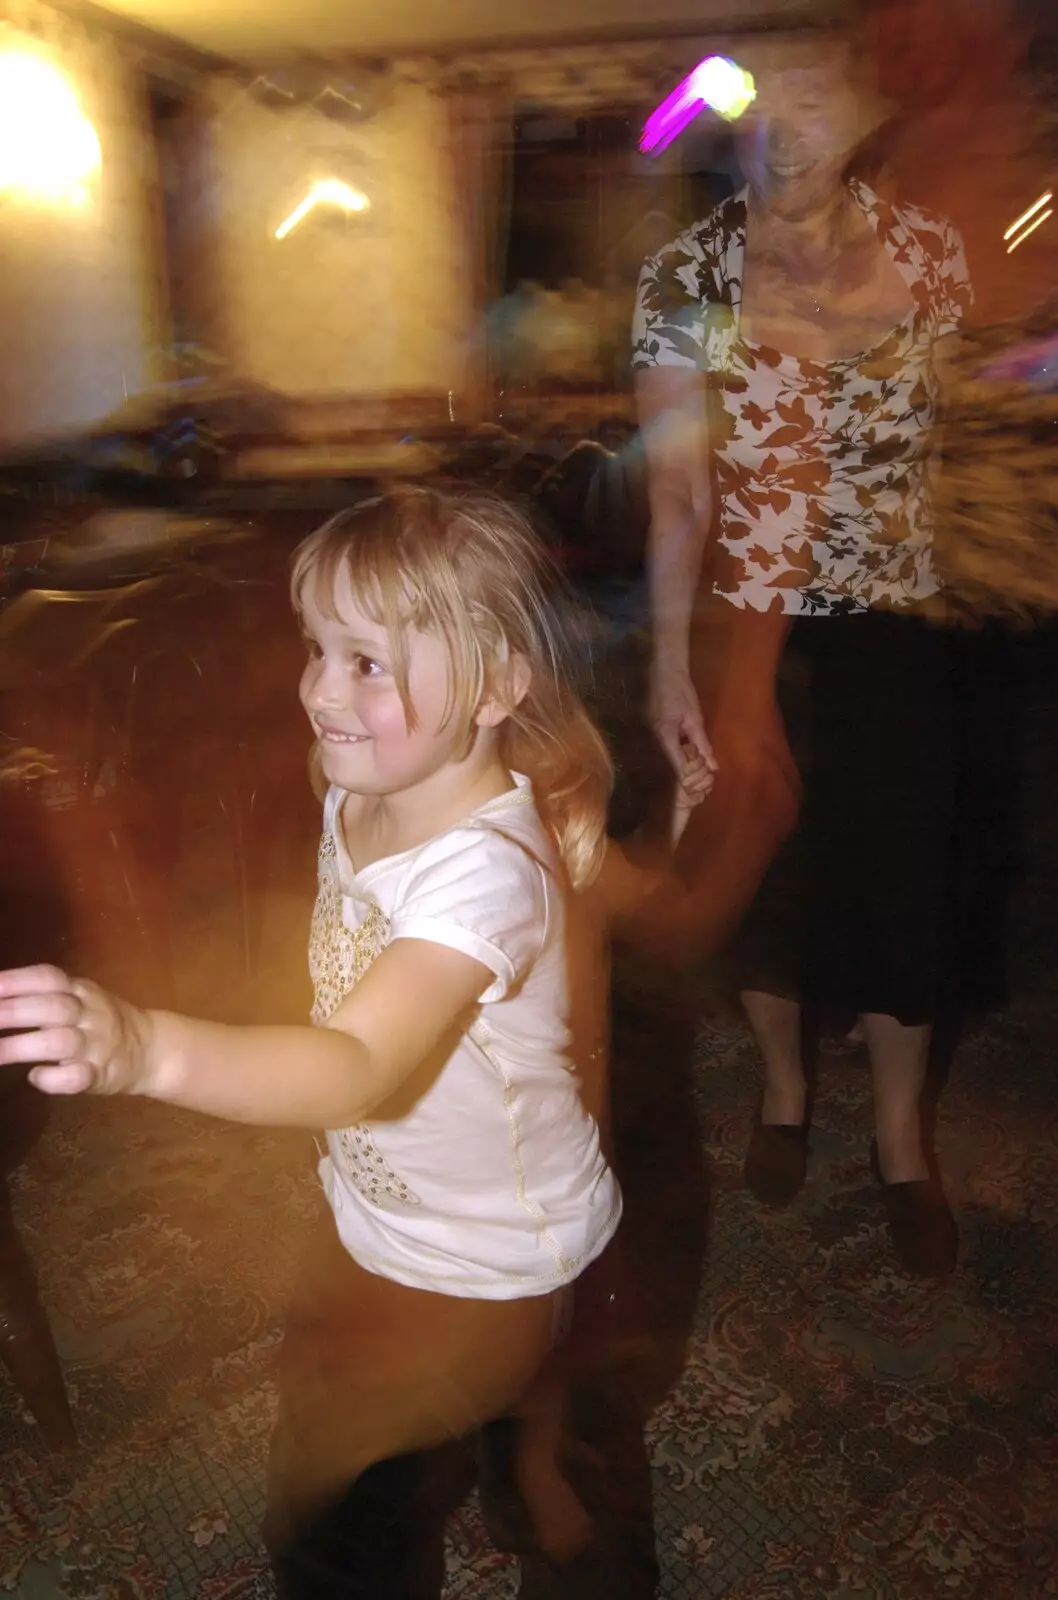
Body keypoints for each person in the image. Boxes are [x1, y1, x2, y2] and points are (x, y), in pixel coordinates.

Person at [0, 486, 706, 1597]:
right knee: (381, 1497)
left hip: (503, 1266)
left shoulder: (481, 875)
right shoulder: (369, 785)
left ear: (498, 682)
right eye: (316, 647)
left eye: (367, 661)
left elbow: (359, 1065)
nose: (321, 689)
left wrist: (147, 1048)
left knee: (512, 1513)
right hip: (382, 1220)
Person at [632, 32, 973, 1277]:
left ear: (866, 114)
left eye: (818, 89)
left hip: (899, 625)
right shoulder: (690, 273)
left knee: (899, 885)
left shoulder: (928, 256)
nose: (791, 113)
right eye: (765, 94)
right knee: (764, 894)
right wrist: (673, 665)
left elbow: (972, 434)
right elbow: (674, 490)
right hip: (749, 631)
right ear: (735, 125)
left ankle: (897, 1140)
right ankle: (782, 1093)